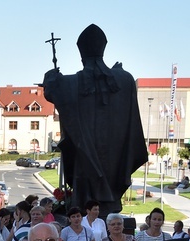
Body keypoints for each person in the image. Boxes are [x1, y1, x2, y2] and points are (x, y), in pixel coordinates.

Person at [43, 24, 147, 217]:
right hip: (115, 156)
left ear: (82, 54)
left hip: (86, 156)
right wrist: (118, 72)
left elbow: (52, 88)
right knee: (109, 197)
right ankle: (110, 205)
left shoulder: (72, 82)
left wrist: (52, 75)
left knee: (84, 201)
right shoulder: (124, 79)